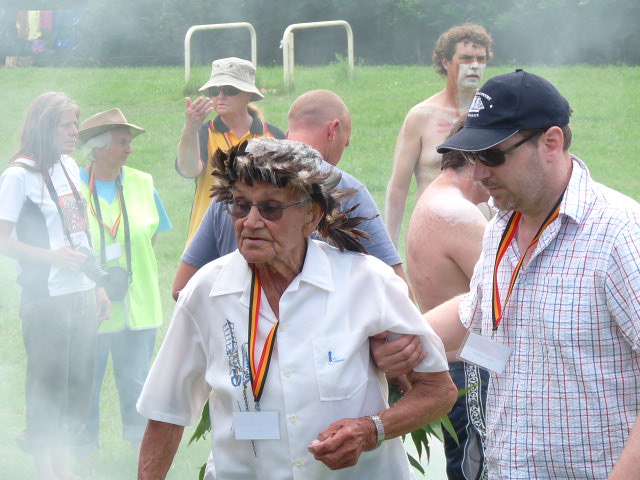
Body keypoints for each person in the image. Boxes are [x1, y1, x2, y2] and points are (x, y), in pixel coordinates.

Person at [137, 137, 457, 480]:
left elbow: (437, 392)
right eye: (241, 206)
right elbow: (165, 414)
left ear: (311, 215)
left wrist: (370, 429)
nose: (251, 222)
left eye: (270, 208)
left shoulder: (366, 282)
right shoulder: (206, 292)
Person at [425, 69, 640, 478]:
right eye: (472, 156)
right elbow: (474, 311)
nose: (478, 172)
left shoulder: (620, 234)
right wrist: (387, 339)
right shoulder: (500, 227)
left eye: (492, 155)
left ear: (551, 142)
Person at [172, 89, 408, 300]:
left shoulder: (237, 186)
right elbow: (398, 290)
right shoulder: (344, 188)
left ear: (288, 132)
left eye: (271, 208)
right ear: (333, 130)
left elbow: (182, 290)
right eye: (346, 142)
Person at [0, 92, 110, 480]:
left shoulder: (68, 165)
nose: (74, 131)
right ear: (46, 127)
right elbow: (2, 239)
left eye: (75, 123)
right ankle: (50, 473)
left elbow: (80, 231)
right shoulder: (18, 175)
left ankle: (65, 470)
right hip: (45, 299)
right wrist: (52, 258)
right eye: (67, 125)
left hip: (80, 293)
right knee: (49, 391)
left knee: (78, 389)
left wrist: (95, 285)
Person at [71, 109, 172, 464]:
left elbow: (152, 237)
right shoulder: (74, 188)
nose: (129, 149)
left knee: (137, 384)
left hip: (138, 305)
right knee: (85, 385)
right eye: (122, 142)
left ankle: (138, 455)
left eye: (129, 142)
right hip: (90, 307)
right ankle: (81, 457)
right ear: (97, 148)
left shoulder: (143, 182)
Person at [407, 118, 490, 480]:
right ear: (477, 159)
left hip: (456, 365)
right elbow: (512, 295)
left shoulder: (436, 197)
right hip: (468, 366)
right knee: (477, 472)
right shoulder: (457, 213)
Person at [385, 23, 493, 247]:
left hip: (484, 233)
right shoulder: (421, 116)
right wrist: (390, 251)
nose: (474, 66)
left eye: (480, 59)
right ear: (446, 62)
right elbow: (398, 187)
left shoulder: (492, 113)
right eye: (465, 58)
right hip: (433, 230)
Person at [176, 56, 285, 241]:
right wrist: (190, 128)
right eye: (214, 90)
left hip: (259, 237)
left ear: (248, 95)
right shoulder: (203, 133)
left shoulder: (274, 136)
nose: (220, 96)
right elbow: (188, 170)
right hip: (209, 242)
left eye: (229, 90)